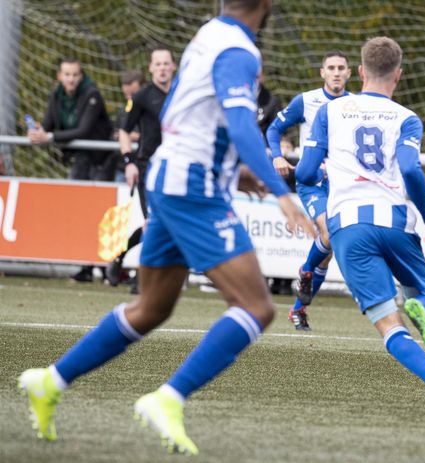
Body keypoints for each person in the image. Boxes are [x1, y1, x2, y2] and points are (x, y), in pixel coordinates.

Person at [18, 0, 314, 455]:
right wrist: (280, 191)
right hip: (192, 189)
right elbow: (238, 124)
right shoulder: (239, 50)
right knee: (257, 307)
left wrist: (236, 173)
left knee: (152, 307)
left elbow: (181, 113)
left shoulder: (208, 34)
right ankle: (168, 398)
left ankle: (50, 381)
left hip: (169, 178)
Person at [296, 36, 425, 416]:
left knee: (388, 324)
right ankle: (421, 309)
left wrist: (314, 170)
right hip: (395, 221)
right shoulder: (406, 118)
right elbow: (410, 169)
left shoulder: (330, 112)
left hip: (348, 226)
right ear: (398, 76)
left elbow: (305, 171)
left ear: (359, 71)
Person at [266, 50, 351, 330]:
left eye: (341, 67)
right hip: (312, 181)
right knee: (328, 233)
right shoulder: (306, 101)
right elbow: (273, 129)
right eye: (331, 67)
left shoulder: (357, 105)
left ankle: (298, 309)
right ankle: (304, 271)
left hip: (343, 184)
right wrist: (277, 155)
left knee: (328, 250)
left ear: (349, 73)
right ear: (322, 73)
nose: (337, 72)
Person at [28, 57, 114, 283]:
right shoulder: (56, 95)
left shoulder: (92, 94)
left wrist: (51, 137)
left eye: (75, 74)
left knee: (102, 215)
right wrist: (38, 131)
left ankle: (107, 268)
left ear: (81, 75)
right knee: (80, 211)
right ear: (59, 76)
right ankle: (85, 266)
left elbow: (84, 130)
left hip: (101, 160)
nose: (71, 79)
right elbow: (48, 124)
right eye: (67, 74)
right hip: (81, 159)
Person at [105, 47, 177, 294]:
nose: (162, 68)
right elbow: (124, 130)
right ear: (151, 68)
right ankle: (140, 277)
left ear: (173, 66)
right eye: (158, 64)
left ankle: (119, 257)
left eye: (166, 63)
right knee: (152, 221)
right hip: (149, 167)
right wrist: (129, 161)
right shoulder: (143, 96)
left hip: (176, 168)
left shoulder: (181, 93)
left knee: (166, 223)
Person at [113, 69, 145, 183]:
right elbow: (116, 133)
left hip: (145, 166)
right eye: (127, 94)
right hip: (124, 168)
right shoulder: (122, 111)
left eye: (133, 94)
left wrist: (136, 136)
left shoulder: (149, 109)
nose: (130, 96)